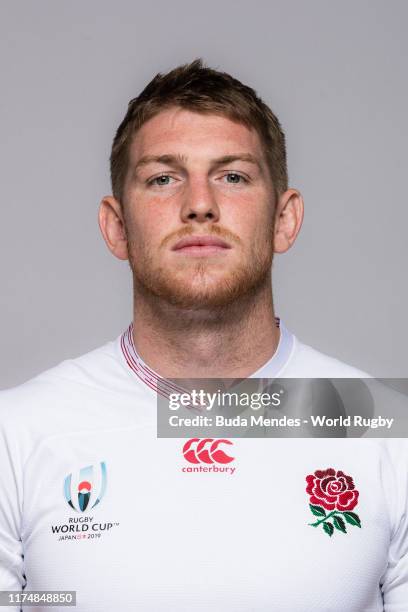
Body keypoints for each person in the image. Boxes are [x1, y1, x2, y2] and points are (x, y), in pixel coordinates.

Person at [0, 59, 406, 612]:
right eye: (163, 177)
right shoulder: (17, 435)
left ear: (284, 219)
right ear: (117, 227)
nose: (199, 204)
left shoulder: (385, 430)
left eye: (232, 175)